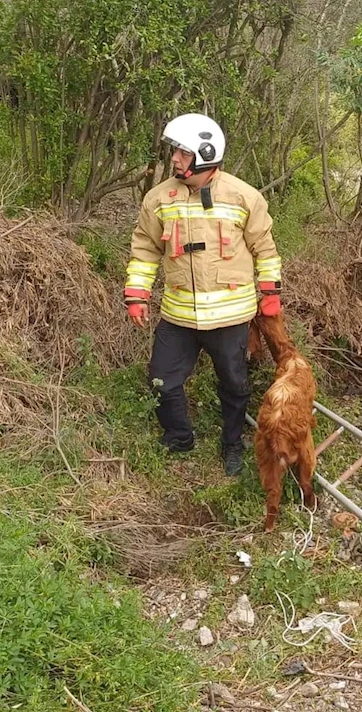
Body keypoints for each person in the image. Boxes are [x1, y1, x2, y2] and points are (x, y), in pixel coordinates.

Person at [124, 113, 283, 476]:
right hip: (178, 315)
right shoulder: (159, 198)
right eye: (174, 151)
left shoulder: (244, 197)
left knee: (234, 383)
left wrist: (270, 291)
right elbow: (146, 249)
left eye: (181, 152)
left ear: (204, 153)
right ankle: (180, 436)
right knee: (161, 379)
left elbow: (266, 250)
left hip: (230, 316)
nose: (174, 159)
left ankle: (232, 445)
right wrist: (137, 293)